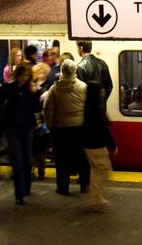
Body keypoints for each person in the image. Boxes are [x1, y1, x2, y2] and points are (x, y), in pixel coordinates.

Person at [0, 64, 40, 205]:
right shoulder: (9, 88)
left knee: (27, 158)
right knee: (17, 160)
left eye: (26, 76)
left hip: (27, 128)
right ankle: (19, 194)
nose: (23, 79)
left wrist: (35, 93)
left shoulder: (30, 90)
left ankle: (27, 187)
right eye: (22, 76)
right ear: (17, 75)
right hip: (11, 129)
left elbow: (37, 108)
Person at [43, 59, 88, 195]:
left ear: (62, 71)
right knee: (82, 158)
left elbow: (47, 109)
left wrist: (51, 126)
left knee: (62, 159)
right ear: (75, 71)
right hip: (79, 128)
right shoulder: (83, 87)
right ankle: (85, 186)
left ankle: (63, 187)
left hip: (61, 129)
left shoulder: (54, 88)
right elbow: (88, 107)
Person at [83, 81, 118, 211]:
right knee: (104, 170)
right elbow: (103, 128)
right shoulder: (96, 109)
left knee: (95, 170)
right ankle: (95, 199)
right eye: (101, 90)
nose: (103, 92)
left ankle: (94, 196)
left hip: (89, 144)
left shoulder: (87, 106)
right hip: (96, 144)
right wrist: (112, 144)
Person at [76, 40, 113, 111]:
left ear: (81, 48)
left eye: (77, 48)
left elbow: (80, 91)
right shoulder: (103, 63)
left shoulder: (80, 67)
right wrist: (102, 100)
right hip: (101, 109)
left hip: (87, 110)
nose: (77, 51)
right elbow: (109, 86)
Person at [32, 63, 53, 180]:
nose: (40, 74)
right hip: (34, 120)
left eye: (42, 71)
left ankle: (41, 171)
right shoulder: (31, 85)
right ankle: (34, 168)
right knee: (34, 147)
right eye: (38, 71)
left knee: (42, 149)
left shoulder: (50, 85)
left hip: (44, 120)